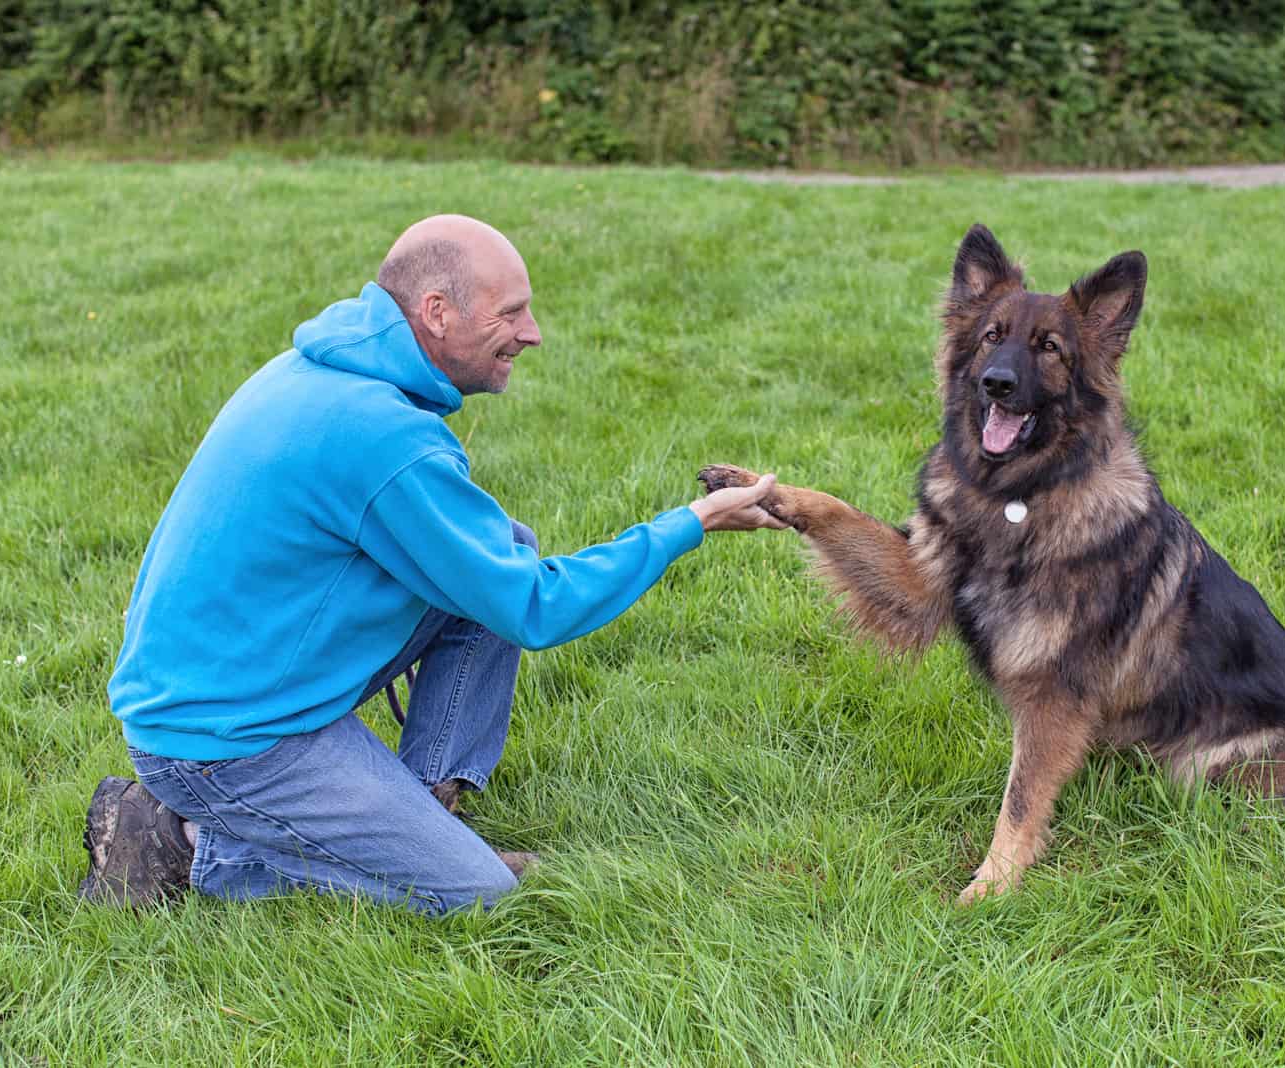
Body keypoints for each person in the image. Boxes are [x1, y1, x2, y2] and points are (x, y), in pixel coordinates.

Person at [79, 214, 783, 915]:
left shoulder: (328, 370)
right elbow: (534, 608)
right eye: (510, 313)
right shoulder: (381, 435)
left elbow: (496, 576)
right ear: (436, 314)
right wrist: (690, 524)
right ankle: (180, 838)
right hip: (224, 740)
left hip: (247, 678)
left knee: (498, 549)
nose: (532, 332)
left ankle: (425, 803)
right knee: (475, 892)